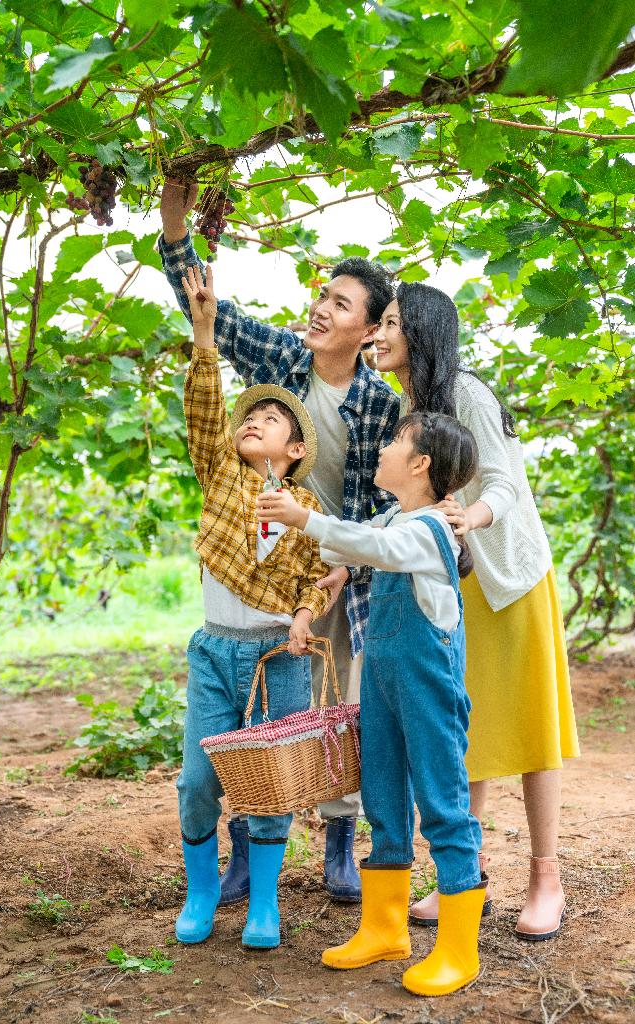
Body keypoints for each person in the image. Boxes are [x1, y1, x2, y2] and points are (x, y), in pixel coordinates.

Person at [159, 178, 400, 903]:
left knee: (335, 704)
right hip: (269, 567)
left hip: (343, 570)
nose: (321, 309)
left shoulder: (380, 403)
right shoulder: (279, 361)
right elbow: (208, 312)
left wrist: (346, 564)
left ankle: (335, 841)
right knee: (261, 711)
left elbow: (394, 502)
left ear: (370, 328)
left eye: (340, 304)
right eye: (321, 296)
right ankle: (244, 846)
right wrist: (177, 230)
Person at [373, 283, 580, 941]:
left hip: (510, 580)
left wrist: (470, 516)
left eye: (390, 323)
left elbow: (502, 484)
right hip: (458, 583)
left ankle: (546, 877)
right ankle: (468, 871)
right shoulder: (407, 402)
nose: (377, 334)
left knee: (530, 727)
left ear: (422, 333)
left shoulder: (468, 394)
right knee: (464, 724)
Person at [257, 411, 488, 996]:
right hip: (384, 682)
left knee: (441, 801)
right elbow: (368, 544)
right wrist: (339, 571)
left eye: (394, 442)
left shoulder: (431, 529)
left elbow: (381, 545)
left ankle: (460, 948)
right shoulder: (398, 514)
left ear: (420, 465)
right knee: (382, 792)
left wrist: (303, 519)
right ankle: (385, 926)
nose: (382, 449)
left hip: (428, 686)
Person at [175, 263, 332, 950]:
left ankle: (264, 903)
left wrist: (302, 618)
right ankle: (203, 891)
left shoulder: (307, 511)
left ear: (294, 452)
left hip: (276, 657)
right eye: (249, 418)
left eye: (269, 421)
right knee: (197, 780)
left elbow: (311, 581)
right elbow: (206, 411)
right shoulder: (221, 477)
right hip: (214, 650)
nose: (252, 423)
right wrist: (204, 335)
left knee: (269, 786)